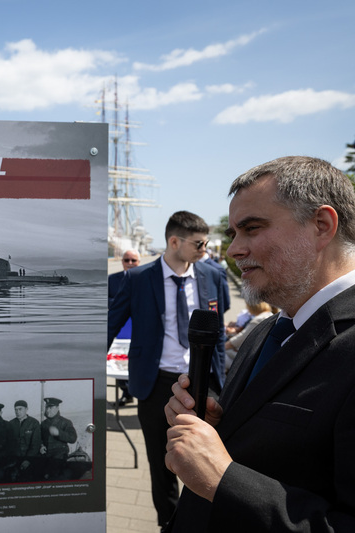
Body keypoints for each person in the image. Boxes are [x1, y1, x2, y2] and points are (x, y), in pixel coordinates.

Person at [164, 156, 355, 532]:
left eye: (251, 229)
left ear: (322, 225)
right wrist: (219, 426)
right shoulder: (267, 331)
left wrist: (224, 481)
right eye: (234, 233)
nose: (233, 250)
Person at [107, 210, 228, 530]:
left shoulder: (212, 276)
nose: (204, 249)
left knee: (205, 459)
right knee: (161, 462)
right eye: (198, 243)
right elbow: (109, 326)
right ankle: (167, 522)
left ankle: (198, 520)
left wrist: (221, 380)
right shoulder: (137, 279)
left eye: (206, 243)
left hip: (202, 382)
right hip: (155, 382)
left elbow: (217, 332)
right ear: (174, 242)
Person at [108, 248, 141, 405]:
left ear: (139, 262)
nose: (130, 263)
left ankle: (139, 392)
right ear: (122, 262)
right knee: (118, 361)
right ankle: (126, 392)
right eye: (126, 260)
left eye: (133, 260)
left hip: (139, 327)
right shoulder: (112, 279)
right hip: (121, 328)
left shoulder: (147, 279)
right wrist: (123, 304)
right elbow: (106, 300)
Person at [223, 299, 272, 373]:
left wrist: (223, 347)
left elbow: (240, 339)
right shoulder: (269, 315)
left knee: (220, 355)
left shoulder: (258, 319)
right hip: (258, 354)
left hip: (249, 357)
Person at [39, 397, 77, 480]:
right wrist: (41, 445)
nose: (48, 410)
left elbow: (73, 438)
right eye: (47, 407)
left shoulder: (65, 422)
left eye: (51, 407)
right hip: (46, 457)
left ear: (57, 408)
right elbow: (39, 438)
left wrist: (59, 433)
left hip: (60, 457)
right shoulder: (43, 424)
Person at [9, 399, 42, 481]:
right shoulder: (11, 424)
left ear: (26, 409)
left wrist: (28, 460)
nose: (17, 412)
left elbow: (35, 444)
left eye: (20, 409)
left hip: (30, 460)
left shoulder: (34, 423)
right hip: (15, 461)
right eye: (16, 409)